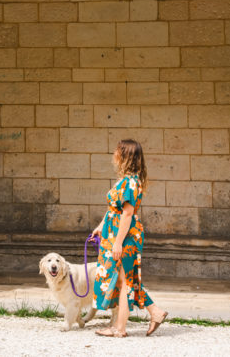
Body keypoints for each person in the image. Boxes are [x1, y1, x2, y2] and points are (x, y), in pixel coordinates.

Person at [91, 139, 168, 337]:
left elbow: (127, 214)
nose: (114, 155)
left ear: (125, 156)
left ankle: (120, 328)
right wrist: (101, 227)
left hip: (124, 237)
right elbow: (113, 210)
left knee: (124, 280)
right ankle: (154, 312)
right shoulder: (127, 180)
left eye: (117, 151)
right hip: (116, 233)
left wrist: (117, 242)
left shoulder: (131, 182)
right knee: (124, 280)